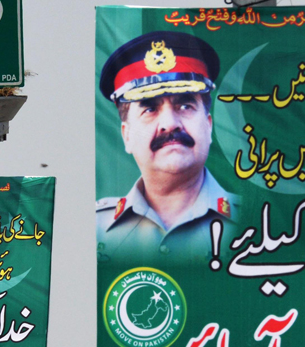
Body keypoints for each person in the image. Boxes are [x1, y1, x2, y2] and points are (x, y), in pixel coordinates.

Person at [97, 31, 238, 263]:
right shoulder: (92, 228)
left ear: (208, 126)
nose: (170, 123)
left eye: (185, 105)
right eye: (150, 109)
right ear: (127, 135)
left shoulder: (254, 223)